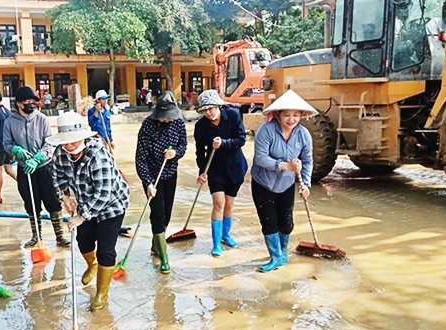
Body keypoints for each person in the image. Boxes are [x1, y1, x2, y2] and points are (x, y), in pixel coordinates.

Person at [49, 111, 130, 311]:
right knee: (83, 240)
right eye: (65, 141)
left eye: (72, 141)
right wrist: (66, 195)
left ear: (82, 137)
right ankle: (92, 264)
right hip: (84, 200)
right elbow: (56, 176)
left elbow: (104, 193)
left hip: (112, 204)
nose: (68, 145)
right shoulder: (60, 153)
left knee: (106, 249)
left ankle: (102, 293)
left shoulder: (98, 155)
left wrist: (81, 216)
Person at [251, 89, 315, 272]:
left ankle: (282, 251)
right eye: (286, 115)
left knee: (286, 221)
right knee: (269, 220)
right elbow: (260, 158)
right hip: (263, 183)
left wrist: (307, 184)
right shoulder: (266, 130)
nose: (291, 119)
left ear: (302, 115)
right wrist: (286, 165)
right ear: (278, 114)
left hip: (286, 184)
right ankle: (276, 257)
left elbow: (308, 160)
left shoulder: (303, 135)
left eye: (296, 115)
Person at [2, 86, 71, 247]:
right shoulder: (10, 122)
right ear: (19, 103)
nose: (31, 104)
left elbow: (50, 143)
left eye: (33, 101)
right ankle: (36, 237)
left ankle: (59, 236)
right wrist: (15, 150)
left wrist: (39, 157)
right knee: (31, 202)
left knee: (53, 201)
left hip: (45, 167)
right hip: (25, 169)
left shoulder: (42, 119)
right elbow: (6, 143)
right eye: (27, 101)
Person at [135, 91, 187, 274]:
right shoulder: (147, 126)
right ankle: (164, 258)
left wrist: (175, 154)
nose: (166, 120)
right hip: (151, 176)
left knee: (167, 212)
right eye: (163, 118)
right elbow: (140, 158)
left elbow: (183, 145)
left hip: (170, 173)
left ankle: (155, 244)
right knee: (157, 211)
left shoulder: (179, 122)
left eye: (168, 118)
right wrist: (148, 183)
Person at [194, 89, 248, 257]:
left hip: (235, 166)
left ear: (218, 105)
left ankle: (226, 235)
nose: (208, 113)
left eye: (211, 108)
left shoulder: (232, 115)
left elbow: (241, 139)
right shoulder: (200, 126)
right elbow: (199, 152)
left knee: (229, 204)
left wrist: (223, 143)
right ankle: (216, 243)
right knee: (218, 203)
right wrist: (202, 171)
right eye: (204, 110)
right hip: (215, 168)